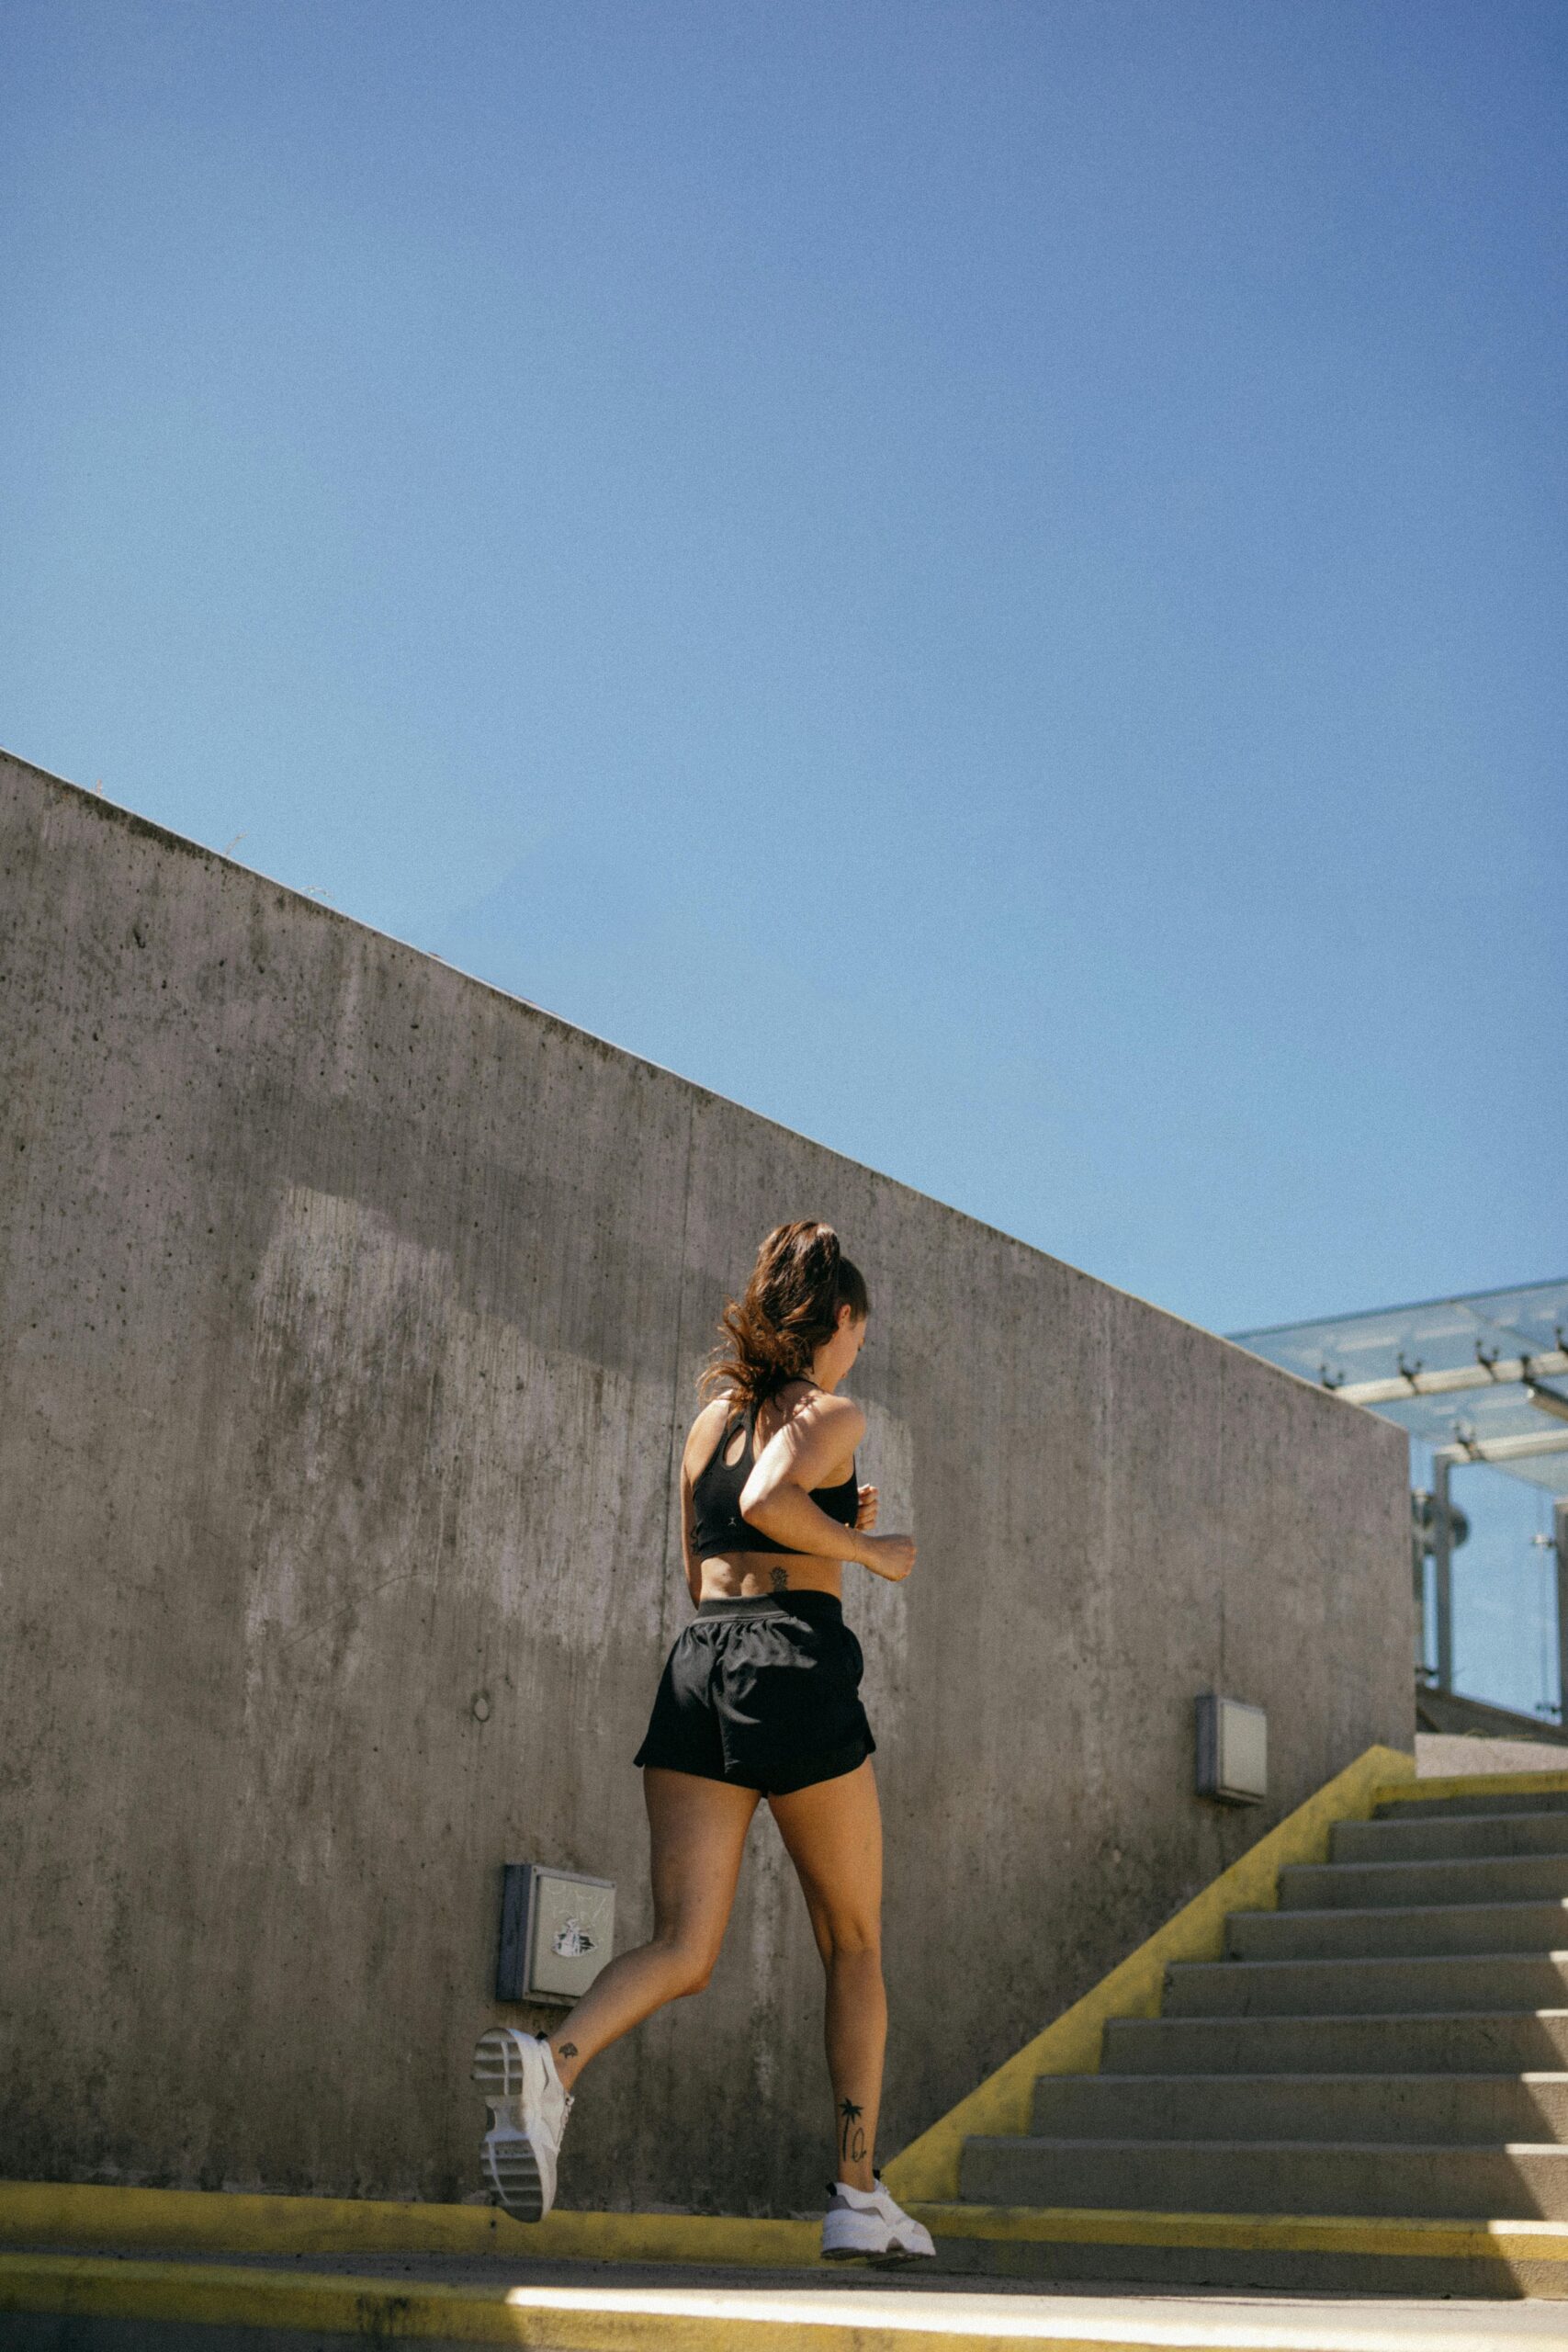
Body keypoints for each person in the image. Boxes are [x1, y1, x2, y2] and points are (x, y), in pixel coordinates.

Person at [471, 1220, 935, 2264]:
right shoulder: (833, 1409)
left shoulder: (708, 1420)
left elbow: (708, 1568)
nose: (859, 1350)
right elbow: (776, 1498)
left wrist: (819, 1517)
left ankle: (556, 2066)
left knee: (682, 1945)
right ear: (842, 1318)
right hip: (794, 1671)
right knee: (852, 1941)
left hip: (698, 1667)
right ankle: (857, 2193)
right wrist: (867, 1548)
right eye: (859, 1331)